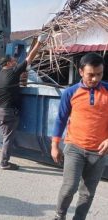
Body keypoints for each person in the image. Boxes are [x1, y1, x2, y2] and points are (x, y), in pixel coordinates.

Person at [51, 53, 108, 220]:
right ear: (81, 71)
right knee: (69, 187)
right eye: (91, 74)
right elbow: (60, 119)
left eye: (99, 74)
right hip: (74, 148)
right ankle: (59, 215)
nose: (96, 78)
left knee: (88, 193)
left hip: (99, 152)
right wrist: (55, 145)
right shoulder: (70, 92)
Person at [0, 33, 48, 170]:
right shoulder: (14, 72)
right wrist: (39, 44)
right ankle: (4, 163)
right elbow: (29, 58)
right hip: (7, 111)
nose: (16, 61)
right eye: (13, 60)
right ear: (8, 63)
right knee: (8, 137)